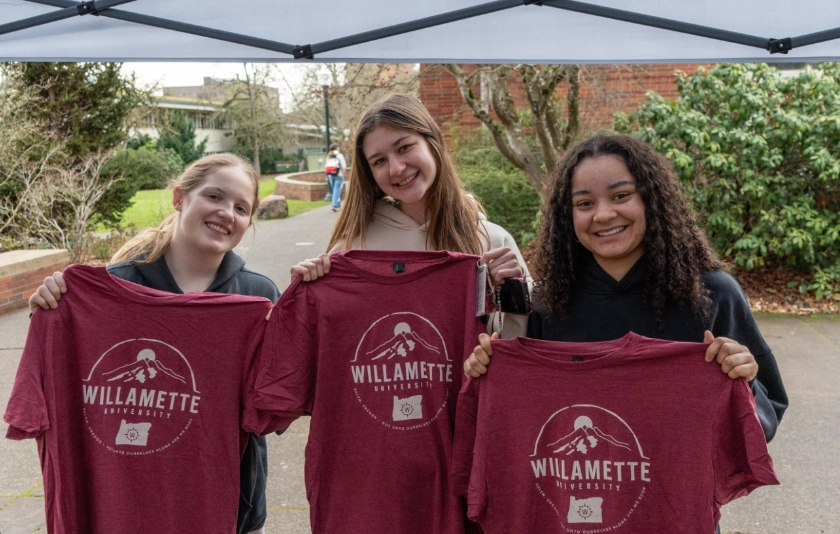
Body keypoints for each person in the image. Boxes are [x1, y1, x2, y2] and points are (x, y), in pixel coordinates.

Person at [462, 134, 787, 531]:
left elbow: (764, 422)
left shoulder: (712, 295)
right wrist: (489, 370)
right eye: (584, 203)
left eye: (620, 196)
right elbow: (529, 427)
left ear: (652, 198)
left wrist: (744, 382)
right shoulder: (550, 304)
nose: (603, 215)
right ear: (568, 217)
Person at [29, 153, 280, 534]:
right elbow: (65, 365)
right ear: (179, 197)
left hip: (230, 510)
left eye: (241, 207)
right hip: (122, 504)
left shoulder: (257, 295)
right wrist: (51, 313)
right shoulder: (114, 287)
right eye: (214, 197)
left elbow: (274, 405)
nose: (227, 212)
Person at [292, 93, 529, 337]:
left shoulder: (493, 242)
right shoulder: (352, 250)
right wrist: (304, 297)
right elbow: (330, 342)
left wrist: (514, 293)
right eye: (379, 161)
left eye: (404, 147)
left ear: (433, 142)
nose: (396, 168)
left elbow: (517, 349)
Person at [324, 142, 347, 211]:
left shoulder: (329, 155)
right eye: (338, 147)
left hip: (330, 175)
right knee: (337, 189)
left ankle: (338, 204)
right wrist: (343, 172)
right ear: (336, 148)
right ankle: (334, 205)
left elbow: (326, 165)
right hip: (338, 174)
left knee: (335, 189)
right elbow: (343, 165)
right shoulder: (339, 155)